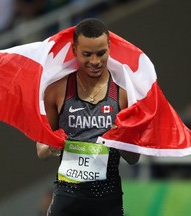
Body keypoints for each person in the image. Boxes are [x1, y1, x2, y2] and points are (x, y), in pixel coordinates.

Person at [36, 18, 140, 216]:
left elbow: (134, 158)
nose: (95, 61)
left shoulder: (123, 94)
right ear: (74, 50)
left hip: (108, 202)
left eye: (101, 53)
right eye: (87, 54)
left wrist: (121, 140)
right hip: (67, 200)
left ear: (109, 48)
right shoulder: (56, 91)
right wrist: (54, 146)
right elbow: (40, 150)